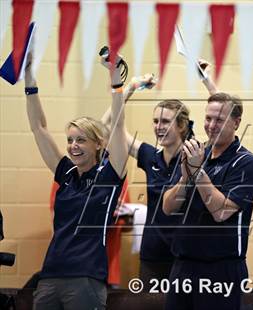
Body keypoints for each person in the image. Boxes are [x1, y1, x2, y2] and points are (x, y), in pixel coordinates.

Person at [100, 60, 218, 288]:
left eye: (165, 121)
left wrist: (206, 80)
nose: (158, 127)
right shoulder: (149, 156)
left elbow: (224, 120)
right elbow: (107, 126)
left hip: (186, 255)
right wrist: (131, 87)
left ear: (182, 126)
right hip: (152, 254)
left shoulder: (195, 154)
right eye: (155, 121)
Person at [25, 53, 129, 309]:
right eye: (70, 140)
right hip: (50, 276)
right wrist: (29, 76)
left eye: (81, 140)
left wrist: (116, 82)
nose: (73, 146)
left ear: (98, 144)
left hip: (86, 280)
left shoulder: (110, 176)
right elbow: (39, 127)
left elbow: (117, 126)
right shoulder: (66, 174)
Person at [163, 92, 253, 310]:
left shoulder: (246, 163)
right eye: (208, 118)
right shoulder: (195, 153)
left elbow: (221, 212)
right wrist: (185, 179)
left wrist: (197, 172)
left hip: (221, 269)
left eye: (219, 119)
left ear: (236, 123)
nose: (211, 125)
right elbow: (168, 207)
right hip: (183, 265)